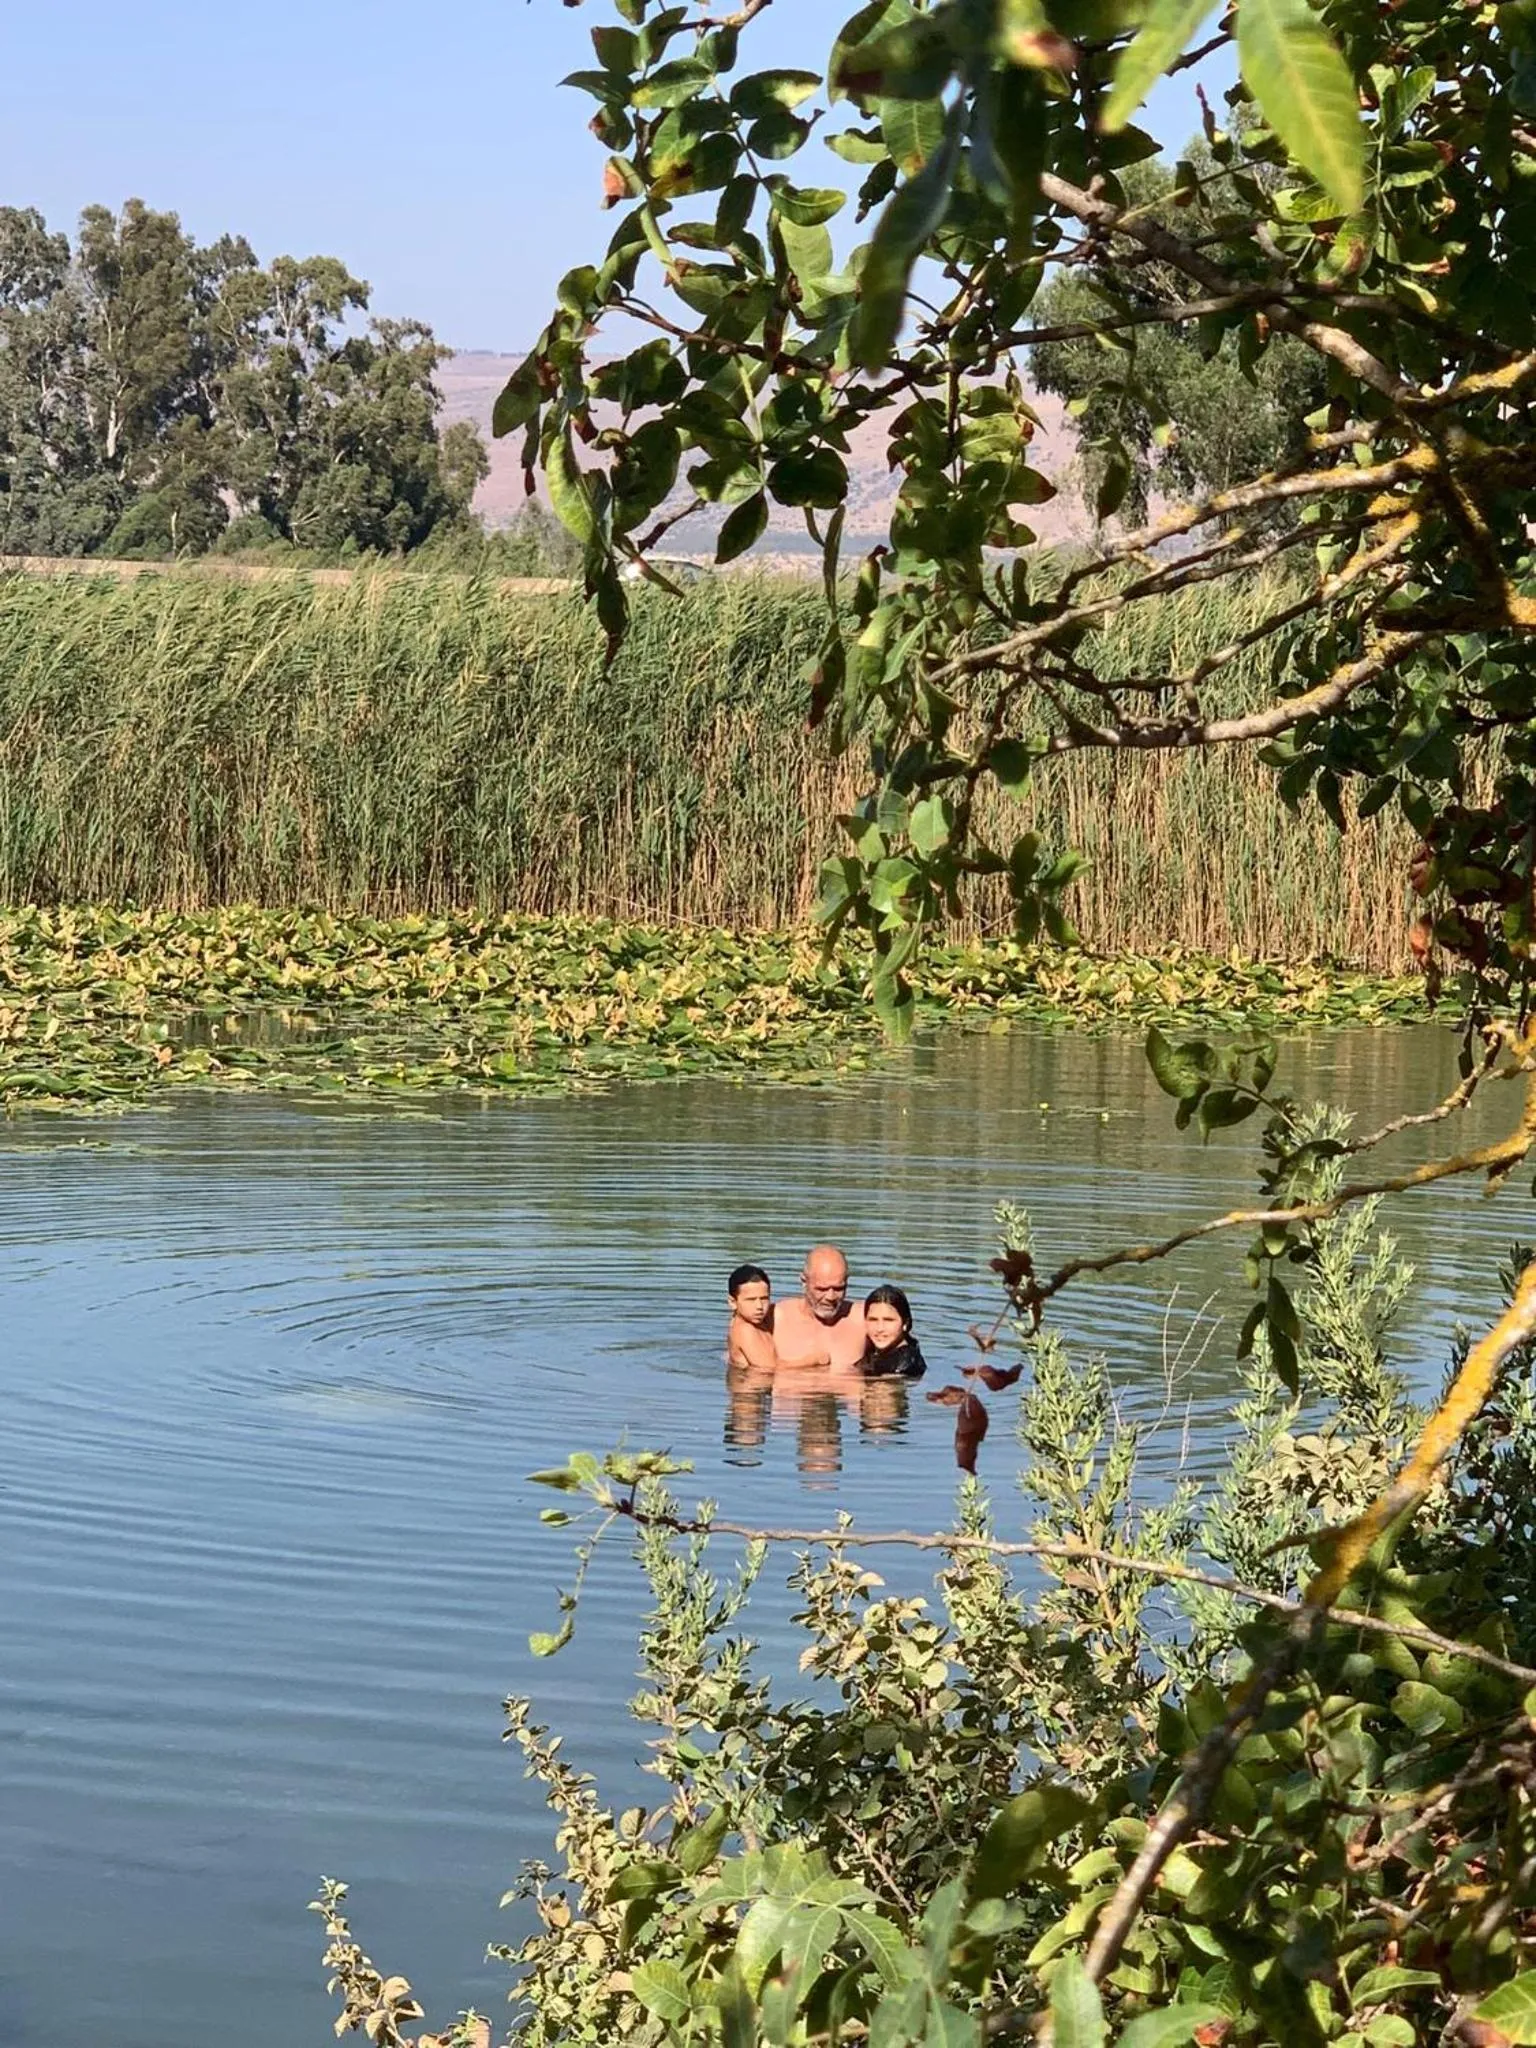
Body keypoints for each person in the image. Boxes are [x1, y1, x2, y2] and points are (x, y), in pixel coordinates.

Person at [769, 1244, 867, 1369]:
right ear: (804, 1282)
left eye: (839, 1288)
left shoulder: (864, 1317)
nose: (830, 1297)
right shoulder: (775, 1318)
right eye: (822, 1289)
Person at [858, 1283, 927, 1380]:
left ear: (905, 1323)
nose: (880, 1328)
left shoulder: (902, 1366)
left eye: (888, 1320)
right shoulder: (876, 1353)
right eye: (873, 1320)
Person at [725, 1263, 777, 1371]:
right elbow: (770, 1371)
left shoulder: (742, 1322)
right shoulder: (746, 1330)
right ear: (732, 1302)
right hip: (755, 1387)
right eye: (751, 1300)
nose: (759, 1306)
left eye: (764, 1299)